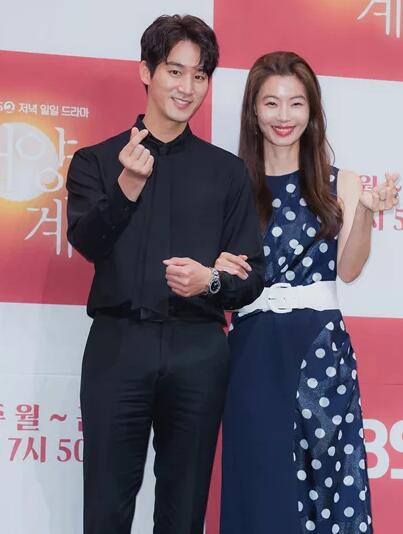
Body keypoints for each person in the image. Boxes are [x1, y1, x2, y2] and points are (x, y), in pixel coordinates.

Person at [66, 14, 264, 534]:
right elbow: (86, 243)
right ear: (146, 72)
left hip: (198, 351)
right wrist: (127, 187)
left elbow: (251, 276)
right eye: (175, 71)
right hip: (118, 347)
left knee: (184, 511)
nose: (187, 88)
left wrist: (211, 282)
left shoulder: (227, 172)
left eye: (199, 76)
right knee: (105, 509)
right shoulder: (96, 161)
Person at [217, 51, 399, 534]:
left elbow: (350, 270)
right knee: (261, 482)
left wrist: (365, 213)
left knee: (329, 482)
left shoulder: (342, 183)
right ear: (253, 110)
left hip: (319, 350)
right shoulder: (231, 183)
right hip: (252, 349)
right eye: (271, 103)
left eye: (296, 103)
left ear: (312, 110)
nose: (284, 116)